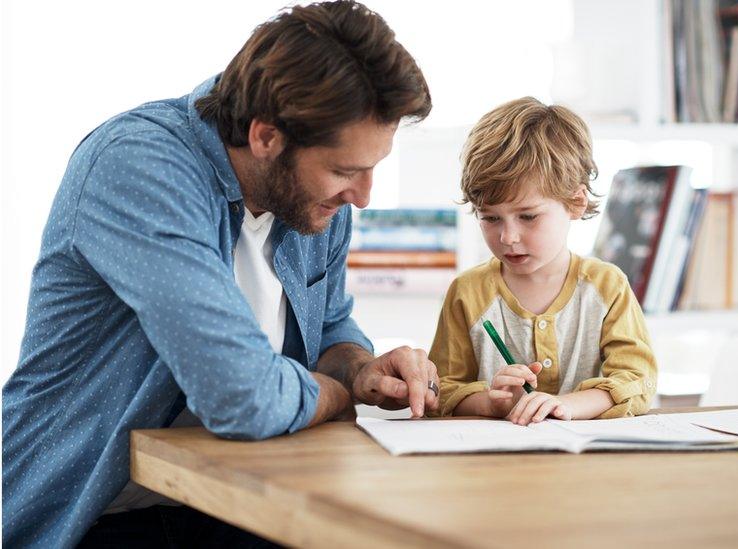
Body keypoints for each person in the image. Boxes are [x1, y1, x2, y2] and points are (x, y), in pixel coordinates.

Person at [2, 2, 438, 547]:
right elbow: (243, 397)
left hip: (237, 496)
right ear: (266, 137)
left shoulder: (317, 203)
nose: (363, 197)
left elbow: (329, 329)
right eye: (345, 171)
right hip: (93, 514)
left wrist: (363, 369)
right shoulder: (139, 166)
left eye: (373, 169)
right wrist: (337, 393)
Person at [428, 97, 658, 424]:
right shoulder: (468, 292)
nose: (508, 237)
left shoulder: (607, 287)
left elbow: (637, 381)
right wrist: (492, 403)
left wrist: (567, 405)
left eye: (528, 216)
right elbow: (442, 390)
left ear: (575, 203)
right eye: (490, 218)